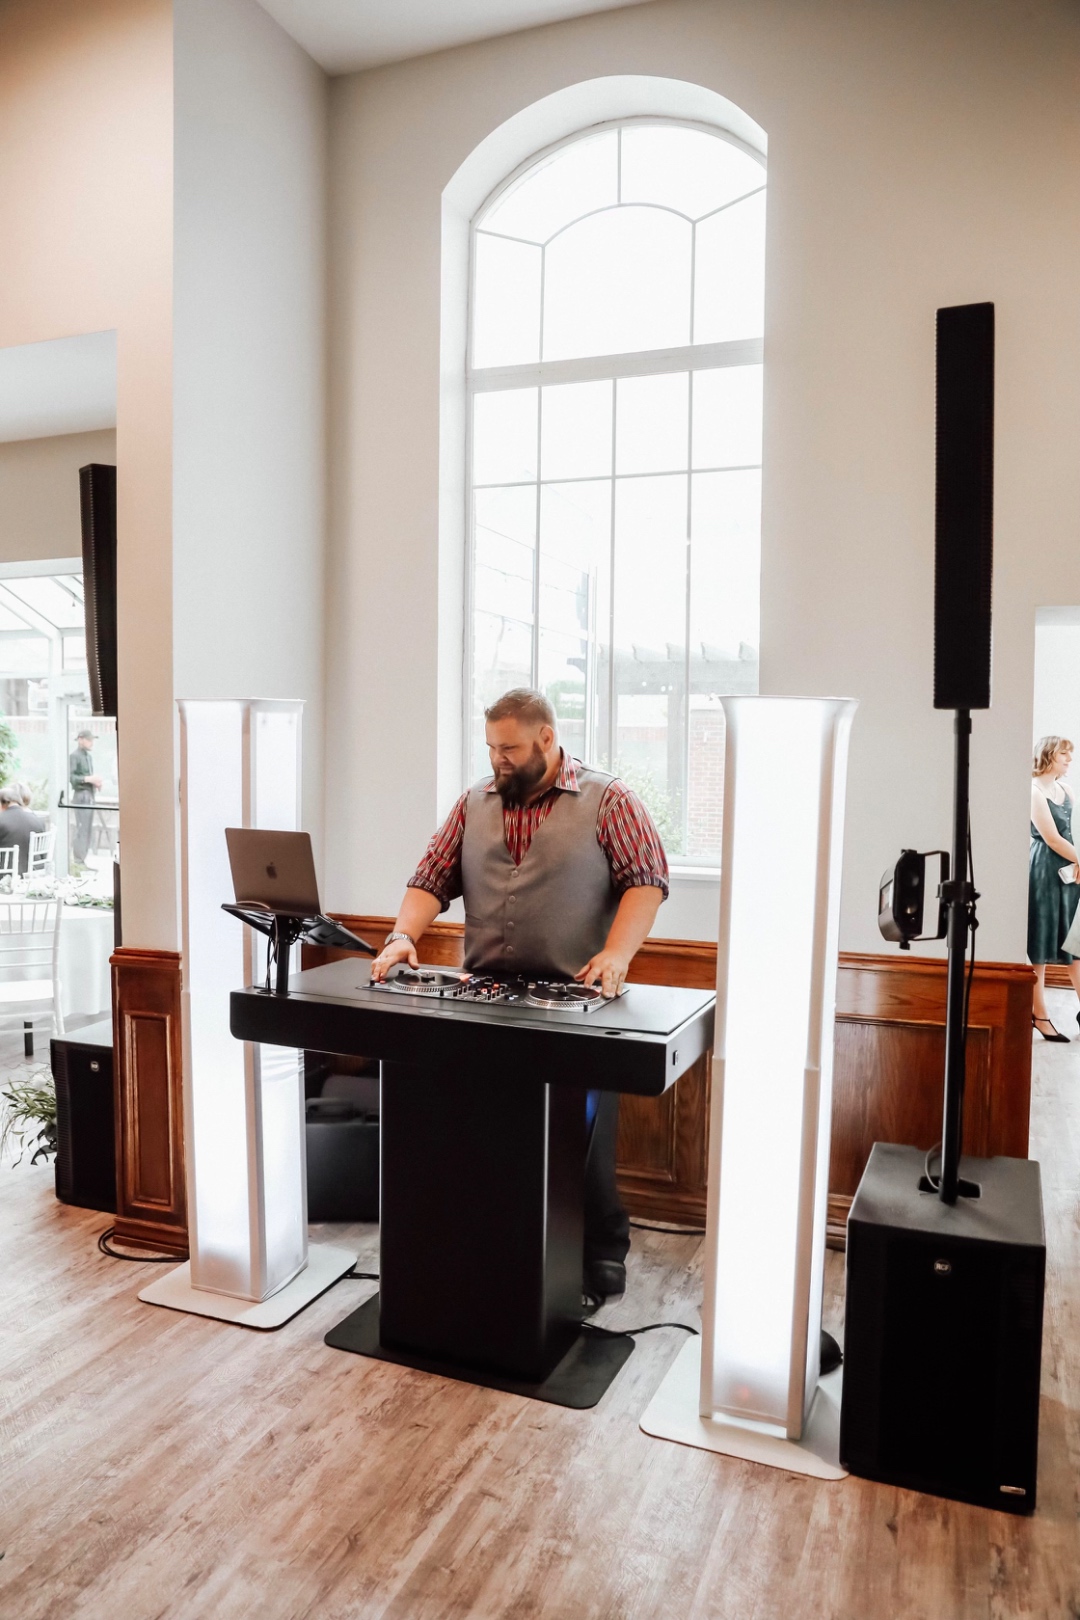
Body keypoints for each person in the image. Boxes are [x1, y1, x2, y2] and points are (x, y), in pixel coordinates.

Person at [372, 687, 669, 1305]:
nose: (497, 760)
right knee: (486, 1138)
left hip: (575, 1001)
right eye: (490, 748)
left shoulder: (610, 800)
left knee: (578, 1146)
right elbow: (430, 877)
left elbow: (646, 882)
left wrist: (617, 954)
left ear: (545, 738)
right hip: (485, 997)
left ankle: (598, 1253)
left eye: (508, 748)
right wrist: (402, 935)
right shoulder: (473, 803)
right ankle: (490, 1252)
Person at [1028, 735, 1080, 1041]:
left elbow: (1071, 834)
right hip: (1045, 869)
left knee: (1075, 944)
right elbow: (1051, 839)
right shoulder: (1033, 791)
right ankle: (1040, 1014)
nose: (1069, 760)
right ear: (1049, 755)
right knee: (1042, 942)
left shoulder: (1066, 790)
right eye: (1065, 755)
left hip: (1070, 867)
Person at [69, 729, 101, 868]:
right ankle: (78, 860)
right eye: (89, 740)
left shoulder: (88, 757)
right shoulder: (74, 756)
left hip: (89, 794)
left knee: (87, 829)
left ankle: (82, 859)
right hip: (81, 795)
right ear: (80, 739)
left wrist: (95, 783)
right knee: (82, 828)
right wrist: (89, 779)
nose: (91, 743)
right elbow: (72, 778)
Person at [0, 784, 46, 876]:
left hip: (5, 876)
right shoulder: (38, 821)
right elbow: (43, 855)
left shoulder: (2, 820)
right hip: (34, 875)